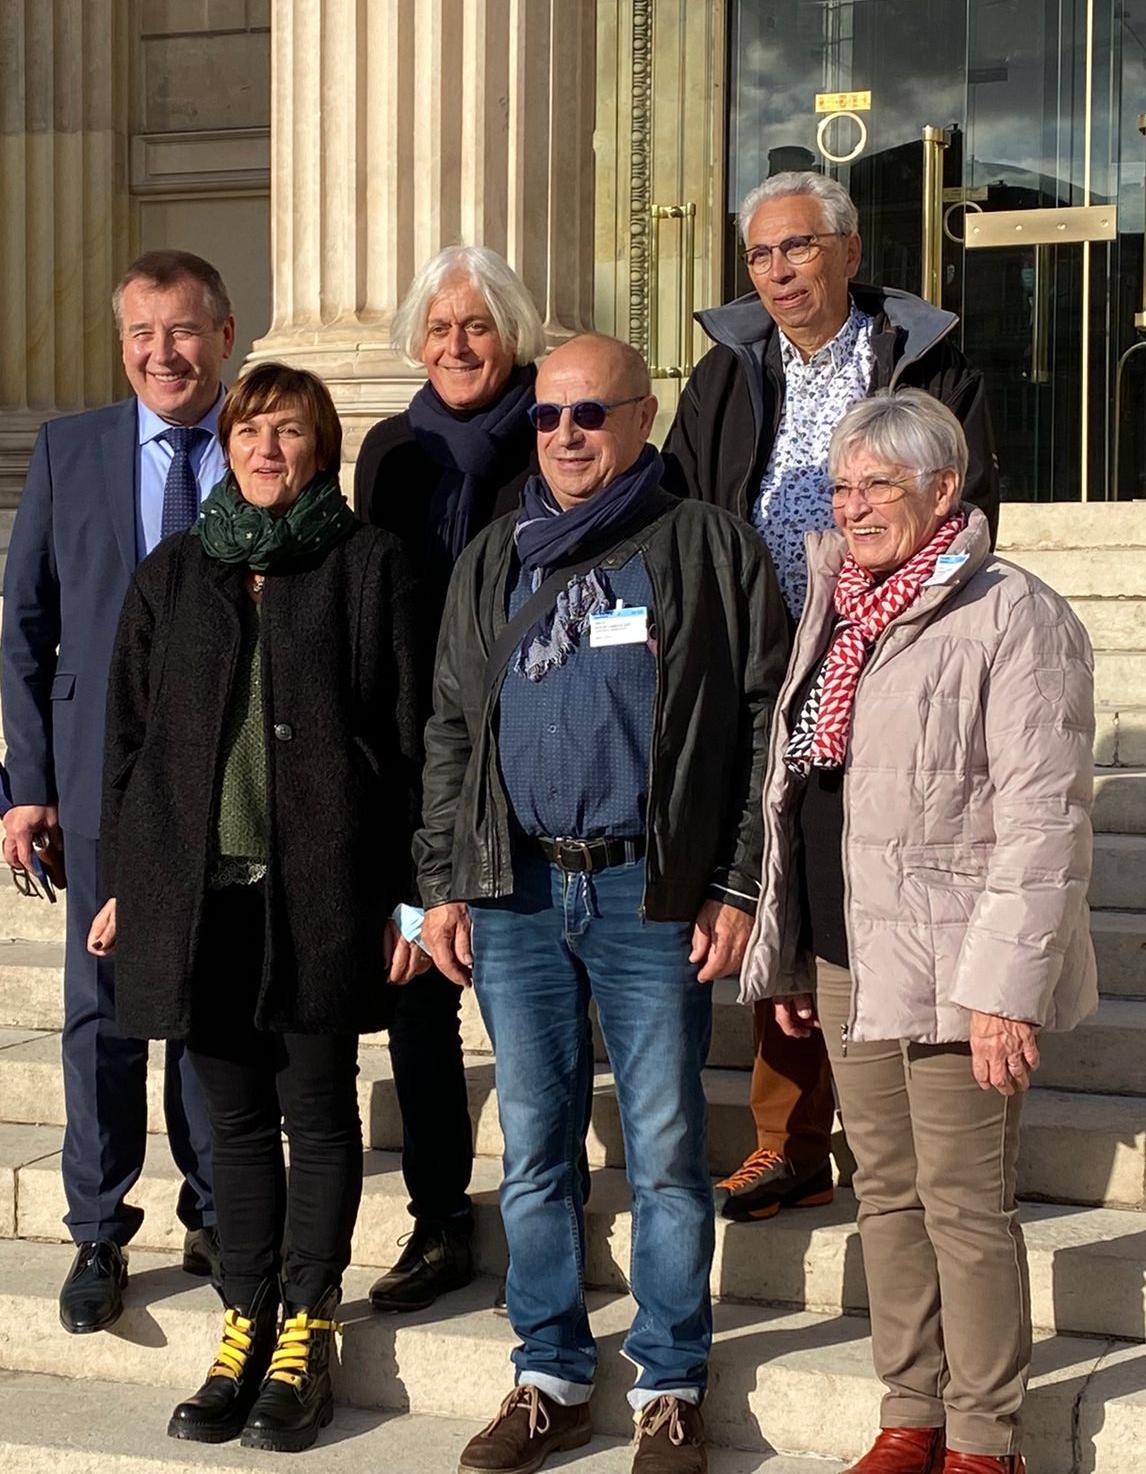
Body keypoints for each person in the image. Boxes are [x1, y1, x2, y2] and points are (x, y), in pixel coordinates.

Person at [419, 333, 788, 1474]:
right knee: (533, 1148)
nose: (565, 437)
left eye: (589, 415)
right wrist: (440, 880)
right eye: (546, 417)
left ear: (641, 418)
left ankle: (671, 1382)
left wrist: (732, 883)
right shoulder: (496, 558)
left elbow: (756, 726)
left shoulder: (704, 548)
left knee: (668, 1149)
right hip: (517, 887)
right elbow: (447, 729)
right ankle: (548, 1377)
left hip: (645, 890)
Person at [740, 390, 1096, 1474]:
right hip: (851, 951)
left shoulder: (1009, 612)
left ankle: (984, 1440)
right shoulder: (837, 605)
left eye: (876, 486)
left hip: (956, 963)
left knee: (964, 1205)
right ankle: (910, 1411)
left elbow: (1043, 819)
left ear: (944, 490)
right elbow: (799, 791)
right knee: (882, 1191)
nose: (852, 506)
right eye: (841, 487)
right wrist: (794, 944)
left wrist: (1003, 989)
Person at [89, 362, 432, 1454]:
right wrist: (119, 888)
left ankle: (307, 1328)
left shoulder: (369, 565)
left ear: (320, 447)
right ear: (225, 447)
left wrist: (416, 901)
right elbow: (129, 747)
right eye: (249, 433)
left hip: (322, 895)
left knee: (318, 1115)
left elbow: (414, 740)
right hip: (200, 899)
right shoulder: (175, 572)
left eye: (288, 432)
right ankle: (242, 1321)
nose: (266, 450)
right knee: (229, 1123)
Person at [662, 169, 1001, 1227]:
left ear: (848, 252)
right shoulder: (724, 375)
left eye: (796, 248)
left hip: (880, 649)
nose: (775, 272)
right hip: (758, 659)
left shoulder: (929, 364)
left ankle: (898, 1118)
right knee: (771, 878)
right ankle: (788, 1139)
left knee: (873, 878)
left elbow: (970, 502)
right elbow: (682, 505)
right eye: (758, 255)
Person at [0, 249, 230, 1334]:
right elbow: (28, 630)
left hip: (226, 766)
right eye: (140, 334)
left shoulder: (260, 440)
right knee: (99, 1010)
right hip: (94, 772)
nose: (160, 354)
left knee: (207, 994)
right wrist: (26, 786)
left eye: (179, 331)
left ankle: (214, 1200)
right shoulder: (69, 451)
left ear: (222, 337)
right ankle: (97, 1225)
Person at [352, 243, 544, 1313]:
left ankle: (540, 1206)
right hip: (419, 754)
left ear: (511, 334)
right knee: (418, 997)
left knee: (522, 999)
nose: (457, 345)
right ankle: (438, 1218)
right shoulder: (387, 451)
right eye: (439, 328)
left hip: (529, 750)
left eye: (476, 326)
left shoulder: (558, 431)